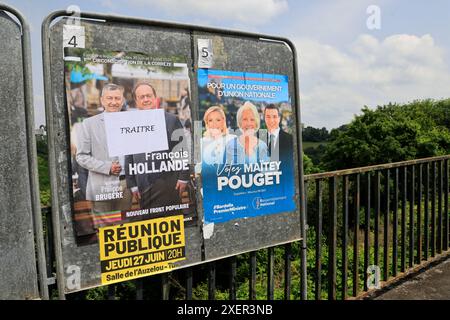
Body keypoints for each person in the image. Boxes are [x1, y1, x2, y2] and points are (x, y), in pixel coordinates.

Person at [125, 81, 190, 215]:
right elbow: (129, 156)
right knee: (149, 224)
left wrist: (183, 177)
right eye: (141, 97)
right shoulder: (130, 123)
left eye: (149, 96)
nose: (146, 99)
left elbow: (182, 150)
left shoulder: (171, 120)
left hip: (169, 183)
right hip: (143, 184)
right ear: (136, 101)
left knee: (173, 223)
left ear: (155, 98)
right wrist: (132, 184)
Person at [76, 83, 133, 222]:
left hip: (126, 185)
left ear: (122, 100)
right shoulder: (89, 124)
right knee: (105, 231)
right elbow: (81, 156)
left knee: (124, 227)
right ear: (102, 100)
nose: (113, 102)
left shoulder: (131, 122)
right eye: (109, 98)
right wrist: (107, 167)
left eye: (117, 98)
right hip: (102, 186)